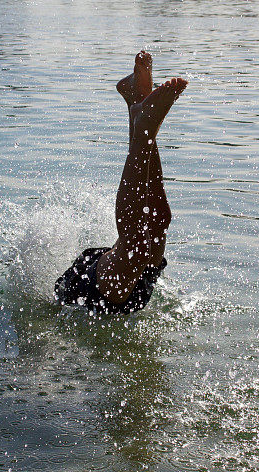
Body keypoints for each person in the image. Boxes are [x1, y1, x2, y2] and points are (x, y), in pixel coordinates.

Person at [54, 52, 187, 314]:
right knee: (159, 219)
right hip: (120, 288)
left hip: (86, 291)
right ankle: (135, 102)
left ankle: (144, 123)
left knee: (136, 246)